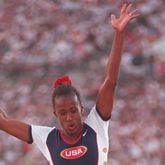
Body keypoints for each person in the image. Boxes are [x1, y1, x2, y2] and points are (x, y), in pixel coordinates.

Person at [0, 4, 139, 165]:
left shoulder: (96, 125)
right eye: (63, 113)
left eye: (73, 110)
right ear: (55, 114)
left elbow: (110, 81)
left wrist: (119, 34)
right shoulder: (47, 138)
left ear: (81, 109)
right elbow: (3, 122)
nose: (69, 117)